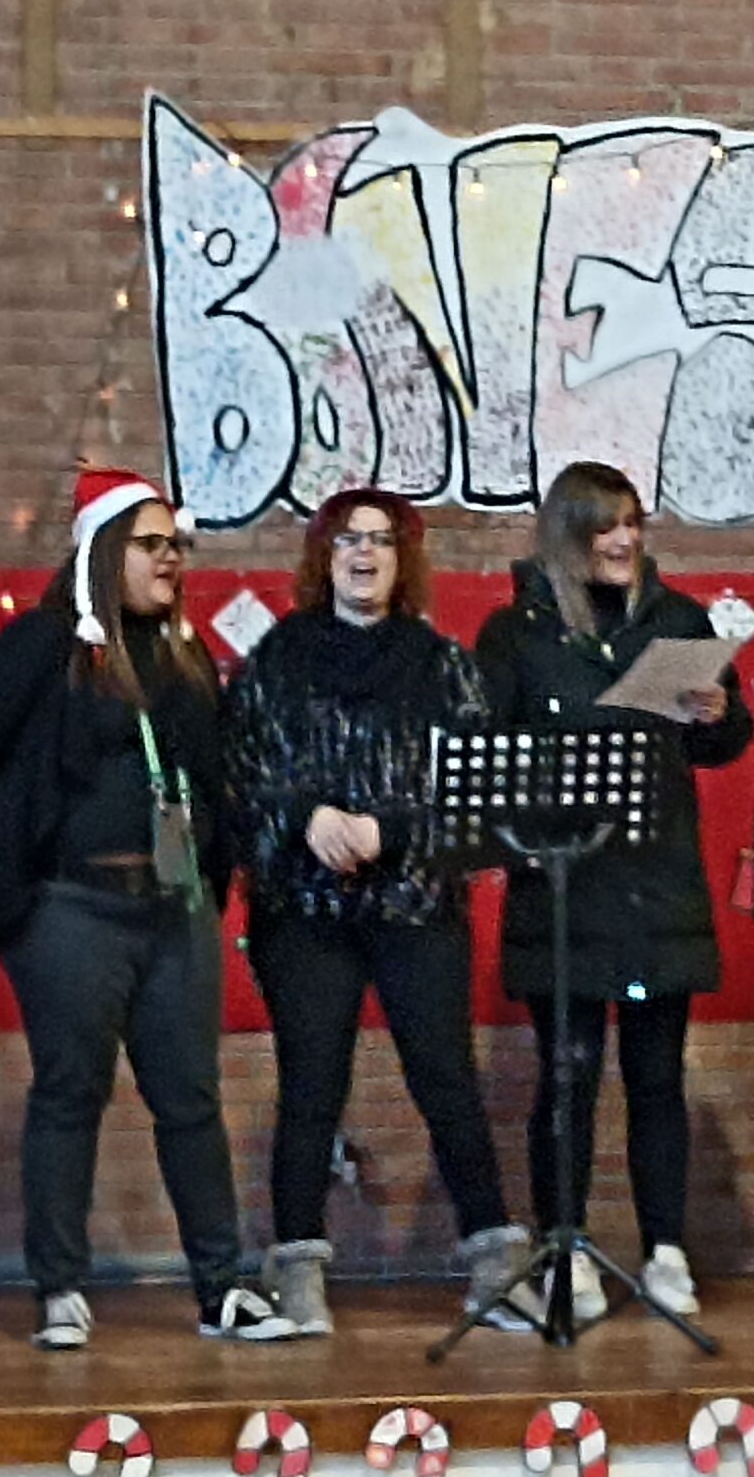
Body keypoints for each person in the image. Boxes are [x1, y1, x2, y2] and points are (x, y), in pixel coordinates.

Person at [0, 469, 294, 1350]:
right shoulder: (41, 648)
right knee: (70, 1092)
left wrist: (210, 876)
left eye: (177, 545)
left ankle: (222, 1289)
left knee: (190, 1098)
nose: (171, 560)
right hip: (71, 912)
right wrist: (16, 854)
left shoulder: (182, 658)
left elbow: (211, 780)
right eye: (150, 544)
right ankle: (60, 1287)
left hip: (174, 912)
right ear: (103, 552)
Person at [223, 488, 532, 1336]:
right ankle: (297, 1269)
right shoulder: (275, 660)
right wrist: (307, 818)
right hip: (304, 911)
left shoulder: (445, 666)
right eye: (347, 541)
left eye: (382, 541)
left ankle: (496, 1265)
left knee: (447, 1080)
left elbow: (475, 797)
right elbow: (240, 780)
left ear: (404, 561)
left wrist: (384, 830)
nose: (364, 554)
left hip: (416, 906)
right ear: (323, 558)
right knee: (310, 1085)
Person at [474, 462, 753, 1323]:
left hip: (655, 887)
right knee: (569, 1079)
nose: (625, 540)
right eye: (605, 527)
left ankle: (666, 1250)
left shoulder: (677, 621)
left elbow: (723, 745)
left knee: (656, 1077)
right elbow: (487, 752)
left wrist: (719, 715)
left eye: (632, 523)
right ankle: (568, 1249)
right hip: (563, 892)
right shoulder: (517, 633)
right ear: (568, 537)